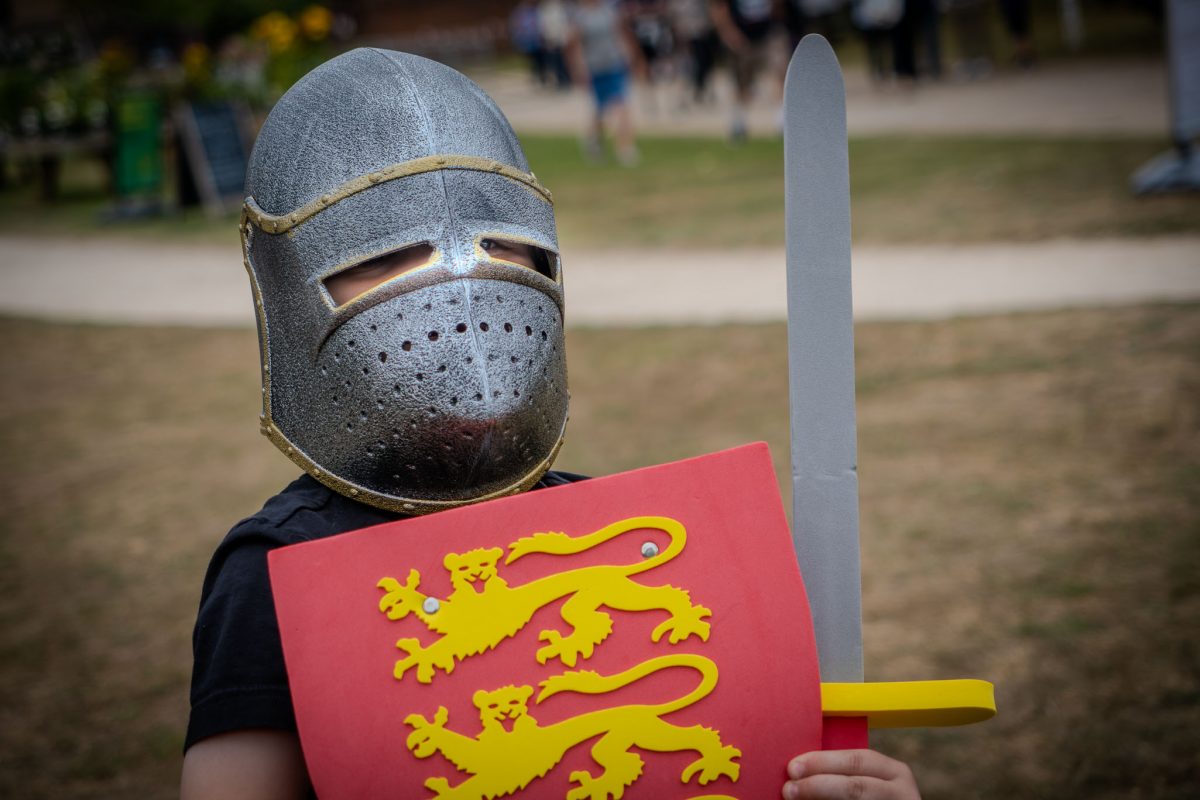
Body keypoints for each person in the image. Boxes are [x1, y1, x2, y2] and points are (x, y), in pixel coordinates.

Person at [179, 47, 923, 800]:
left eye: (502, 244)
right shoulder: (273, 573)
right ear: (294, 288)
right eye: (389, 255)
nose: (457, 285)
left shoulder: (594, 528)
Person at [565, 0, 645, 165]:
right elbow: (575, 45)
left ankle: (625, 148)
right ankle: (594, 141)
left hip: (614, 65)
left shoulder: (610, 12)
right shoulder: (580, 17)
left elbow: (623, 35)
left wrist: (633, 59)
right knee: (600, 111)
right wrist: (578, 69)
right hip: (595, 69)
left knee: (622, 106)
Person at [710, 0, 777, 142]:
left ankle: (782, 120)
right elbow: (718, 7)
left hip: (766, 34)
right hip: (741, 38)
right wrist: (729, 32)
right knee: (742, 84)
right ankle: (738, 123)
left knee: (780, 71)